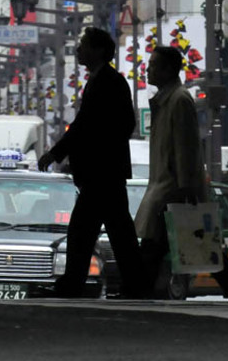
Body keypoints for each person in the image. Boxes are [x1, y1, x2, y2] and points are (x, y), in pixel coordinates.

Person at [135, 46, 228, 301]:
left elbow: (186, 148)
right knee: (195, 246)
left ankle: (137, 289)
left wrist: (186, 187)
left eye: (154, 64)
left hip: (172, 190)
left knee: (160, 247)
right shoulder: (169, 100)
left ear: (169, 69)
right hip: (168, 188)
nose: (148, 69)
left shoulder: (178, 100)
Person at [37, 27, 147, 298]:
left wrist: (56, 153)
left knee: (85, 231)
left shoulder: (108, 82)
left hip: (102, 173)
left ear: (97, 50)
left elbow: (85, 126)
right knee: (115, 233)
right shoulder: (104, 80)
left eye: (83, 45)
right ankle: (134, 285)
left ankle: (74, 284)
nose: (78, 50)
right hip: (104, 173)